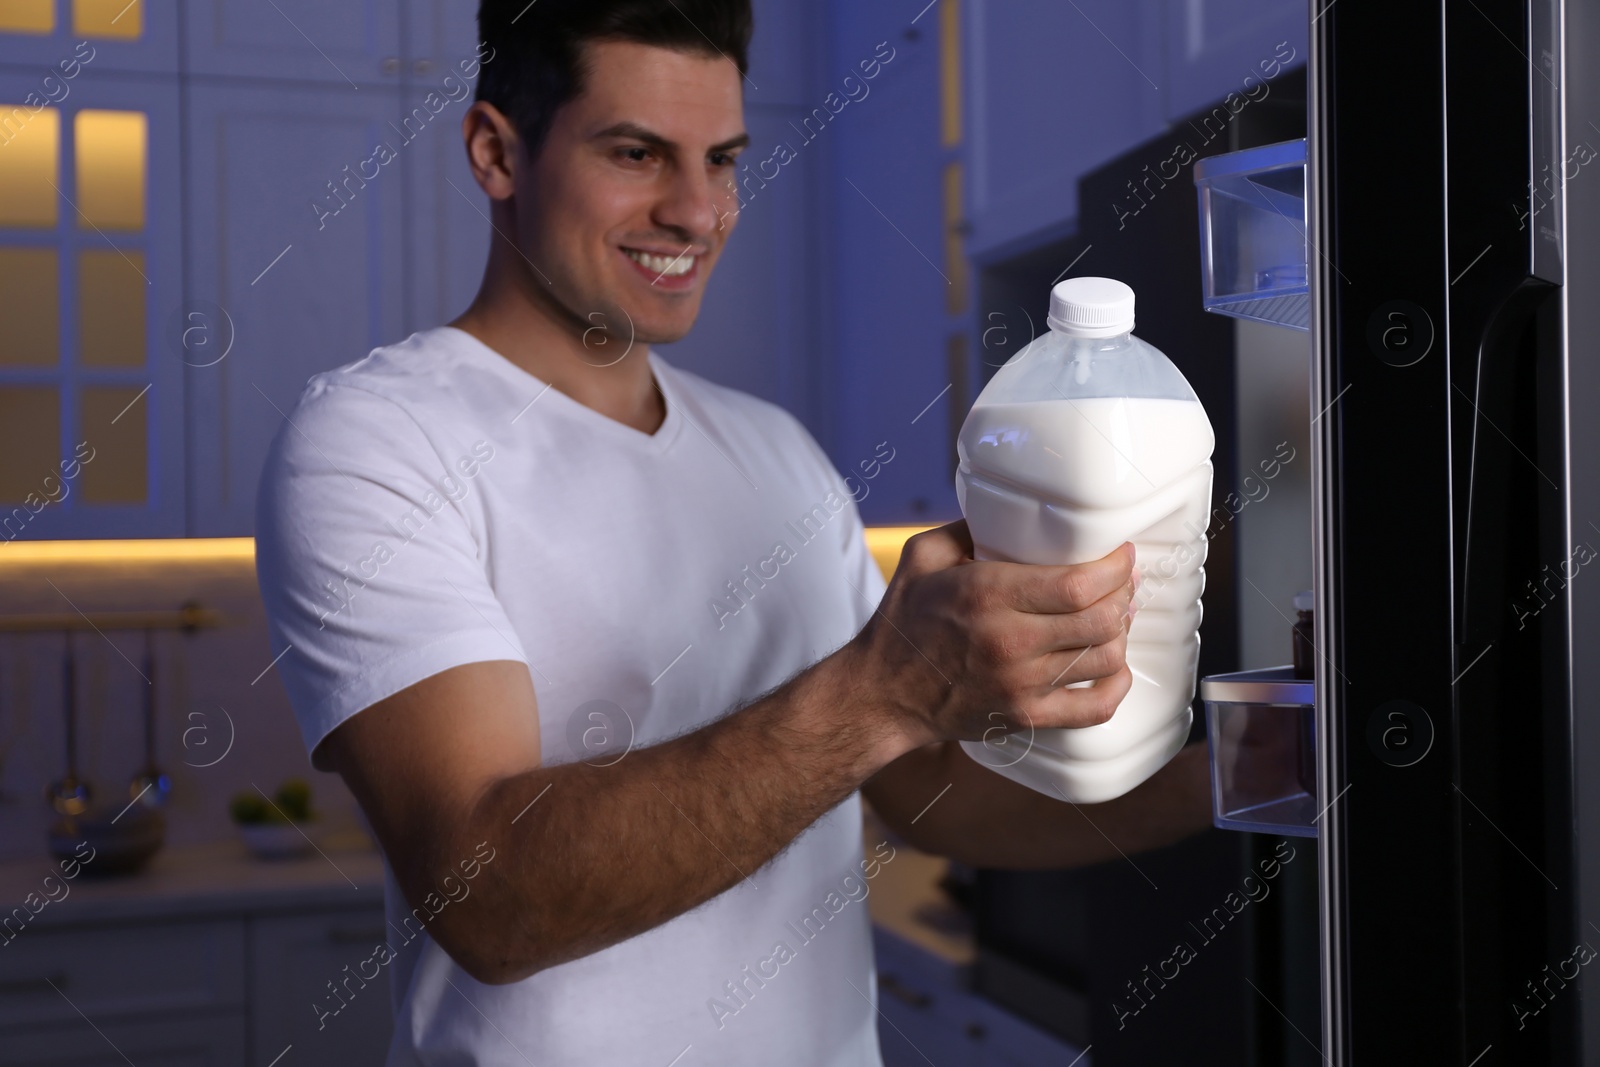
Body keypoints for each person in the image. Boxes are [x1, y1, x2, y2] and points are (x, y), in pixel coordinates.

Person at [254, 1, 1213, 1062]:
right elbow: (490, 900)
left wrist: (1250, 773)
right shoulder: (375, 439)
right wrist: (884, 686)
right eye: (636, 153)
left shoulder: (774, 451)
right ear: (496, 151)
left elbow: (928, 795)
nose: (696, 210)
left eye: (722, 160)